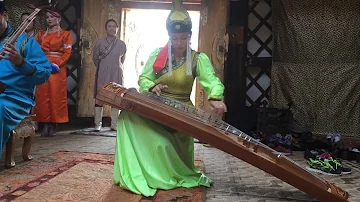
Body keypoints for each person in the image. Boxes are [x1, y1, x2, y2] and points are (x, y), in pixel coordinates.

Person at [112, 0, 227, 197]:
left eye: (183, 38)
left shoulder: (198, 59)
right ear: (169, 37)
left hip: (181, 112)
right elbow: (145, 78)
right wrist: (152, 86)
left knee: (162, 142)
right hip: (157, 107)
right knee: (127, 117)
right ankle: (142, 171)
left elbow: (212, 81)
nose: (179, 43)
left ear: (189, 36)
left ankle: (164, 172)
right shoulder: (159, 55)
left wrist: (215, 97)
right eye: (175, 38)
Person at [0, 1, 51, 158]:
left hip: (15, 97)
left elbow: (44, 73)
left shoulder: (25, 42)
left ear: (5, 16)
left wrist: (20, 61)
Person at [32, 6, 72, 136]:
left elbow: (67, 52)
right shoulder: (40, 34)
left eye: (52, 17)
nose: (49, 19)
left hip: (57, 68)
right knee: (42, 95)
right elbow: (36, 51)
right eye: (47, 17)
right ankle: (44, 123)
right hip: (43, 66)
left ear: (59, 19)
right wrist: (41, 64)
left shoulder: (66, 34)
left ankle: (54, 123)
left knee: (55, 95)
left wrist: (57, 64)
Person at [92, 19, 126, 131]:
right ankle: (98, 124)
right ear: (106, 29)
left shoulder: (122, 44)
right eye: (109, 26)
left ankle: (114, 124)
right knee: (100, 97)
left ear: (117, 29)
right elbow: (95, 58)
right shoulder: (100, 42)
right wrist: (103, 67)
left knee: (116, 97)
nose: (111, 28)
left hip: (117, 72)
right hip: (103, 72)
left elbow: (122, 59)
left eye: (114, 26)